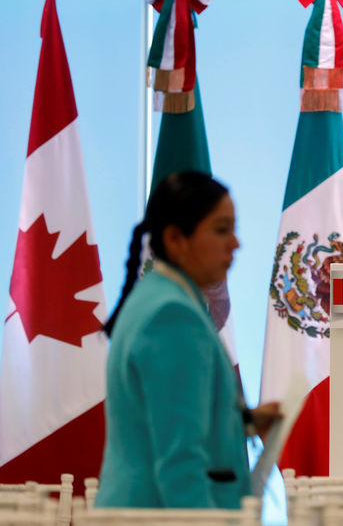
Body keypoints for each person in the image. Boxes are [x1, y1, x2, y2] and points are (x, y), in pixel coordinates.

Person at [95, 171, 281, 509]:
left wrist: (244, 421)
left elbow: (165, 418)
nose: (235, 243)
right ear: (176, 240)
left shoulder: (158, 298)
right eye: (222, 230)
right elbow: (180, 466)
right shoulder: (172, 317)